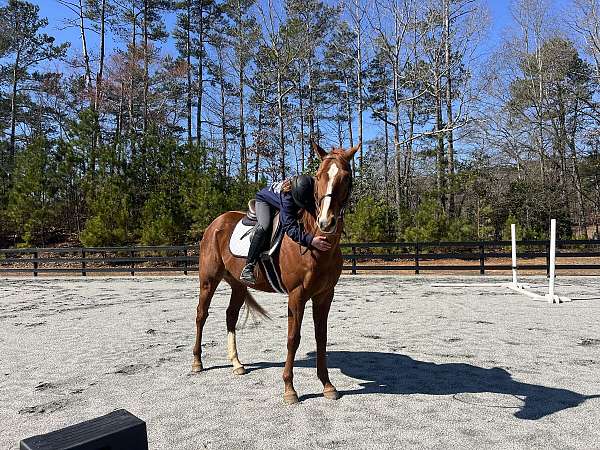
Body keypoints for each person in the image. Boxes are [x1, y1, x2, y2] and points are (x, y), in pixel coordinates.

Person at [240, 174, 332, 285]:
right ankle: (248, 267)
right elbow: (289, 226)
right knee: (265, 226)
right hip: (264, 200)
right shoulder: (287, 198)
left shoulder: (313, 184)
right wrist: (310, 240)